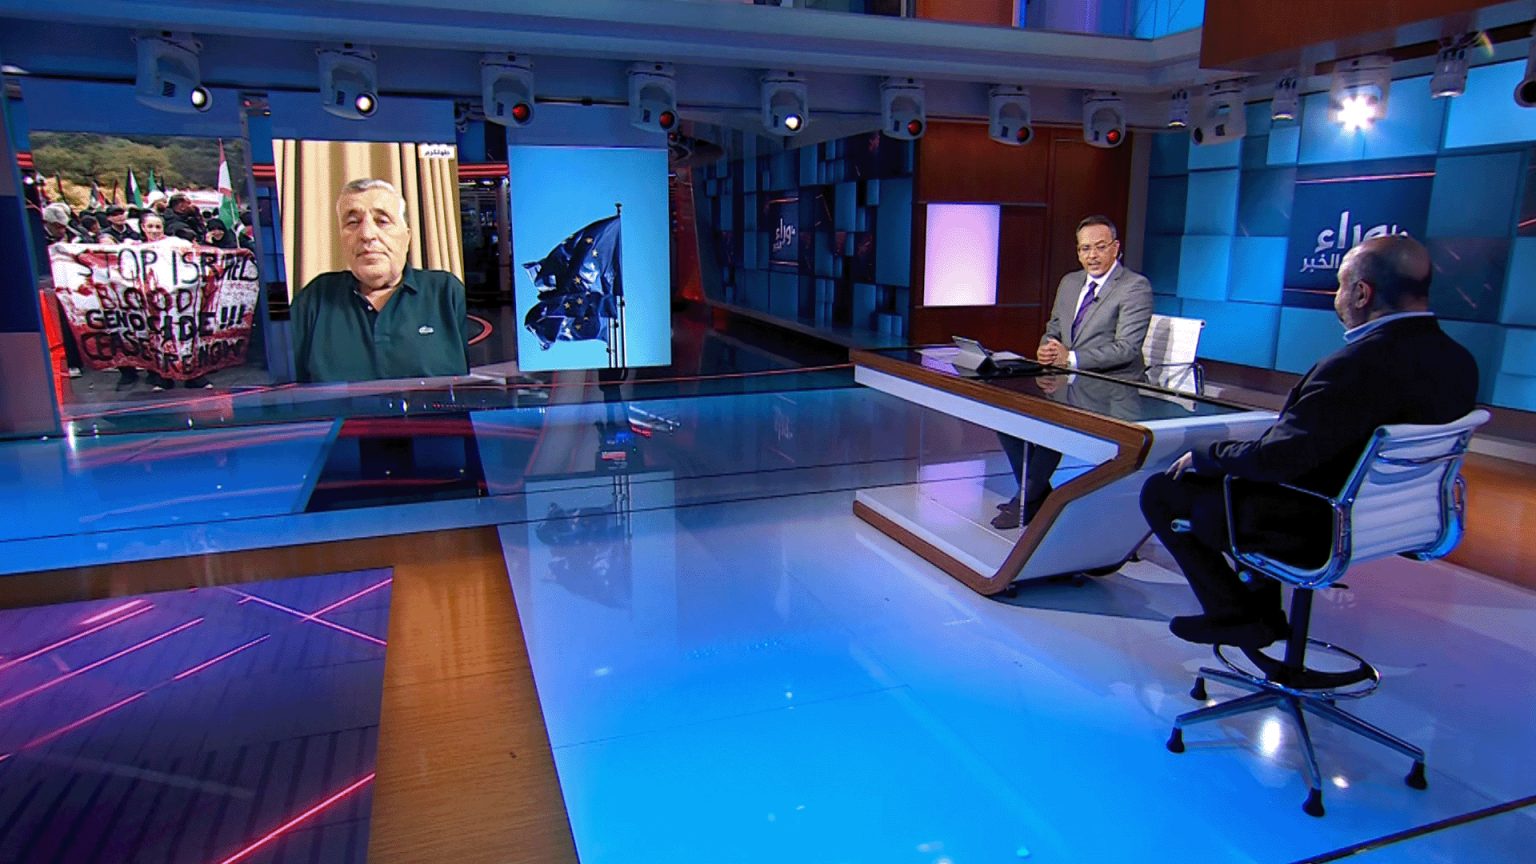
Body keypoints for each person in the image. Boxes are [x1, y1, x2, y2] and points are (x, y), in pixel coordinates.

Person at [1139, 235, 1478, 650]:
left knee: (1164, 491)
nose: (1337, 298)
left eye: (1339, 286)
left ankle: (1237, 615)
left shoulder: (1353, 368)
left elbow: (1277, 460)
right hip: (1393, 520)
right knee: (1241, 477)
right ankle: (1262, 612)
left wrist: (1207, 455)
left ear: (1361, 293)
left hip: (1321, 521)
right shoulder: (1460, 361)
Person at [993, 215, 1153, 530]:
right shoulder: (1070, 283)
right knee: (1004, 413)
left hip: (1114, 387)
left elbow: (1127, 349)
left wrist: (1073, 358)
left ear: (1116, 248)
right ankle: (1036, 495)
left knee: (1053, 424)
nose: (1092, 255)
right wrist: (1047, 348)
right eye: (1084, 249)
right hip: (1065, 379)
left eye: (1100, 247)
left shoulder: (1134, 287)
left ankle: (1027, 500)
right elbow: (1054, 329)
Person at [290, 178, 469, 383]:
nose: (367, 234)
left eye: (382, 221)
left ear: (407, 237)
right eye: (353, 222)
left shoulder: (446, 292)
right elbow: (281, 388)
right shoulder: (315, 298)